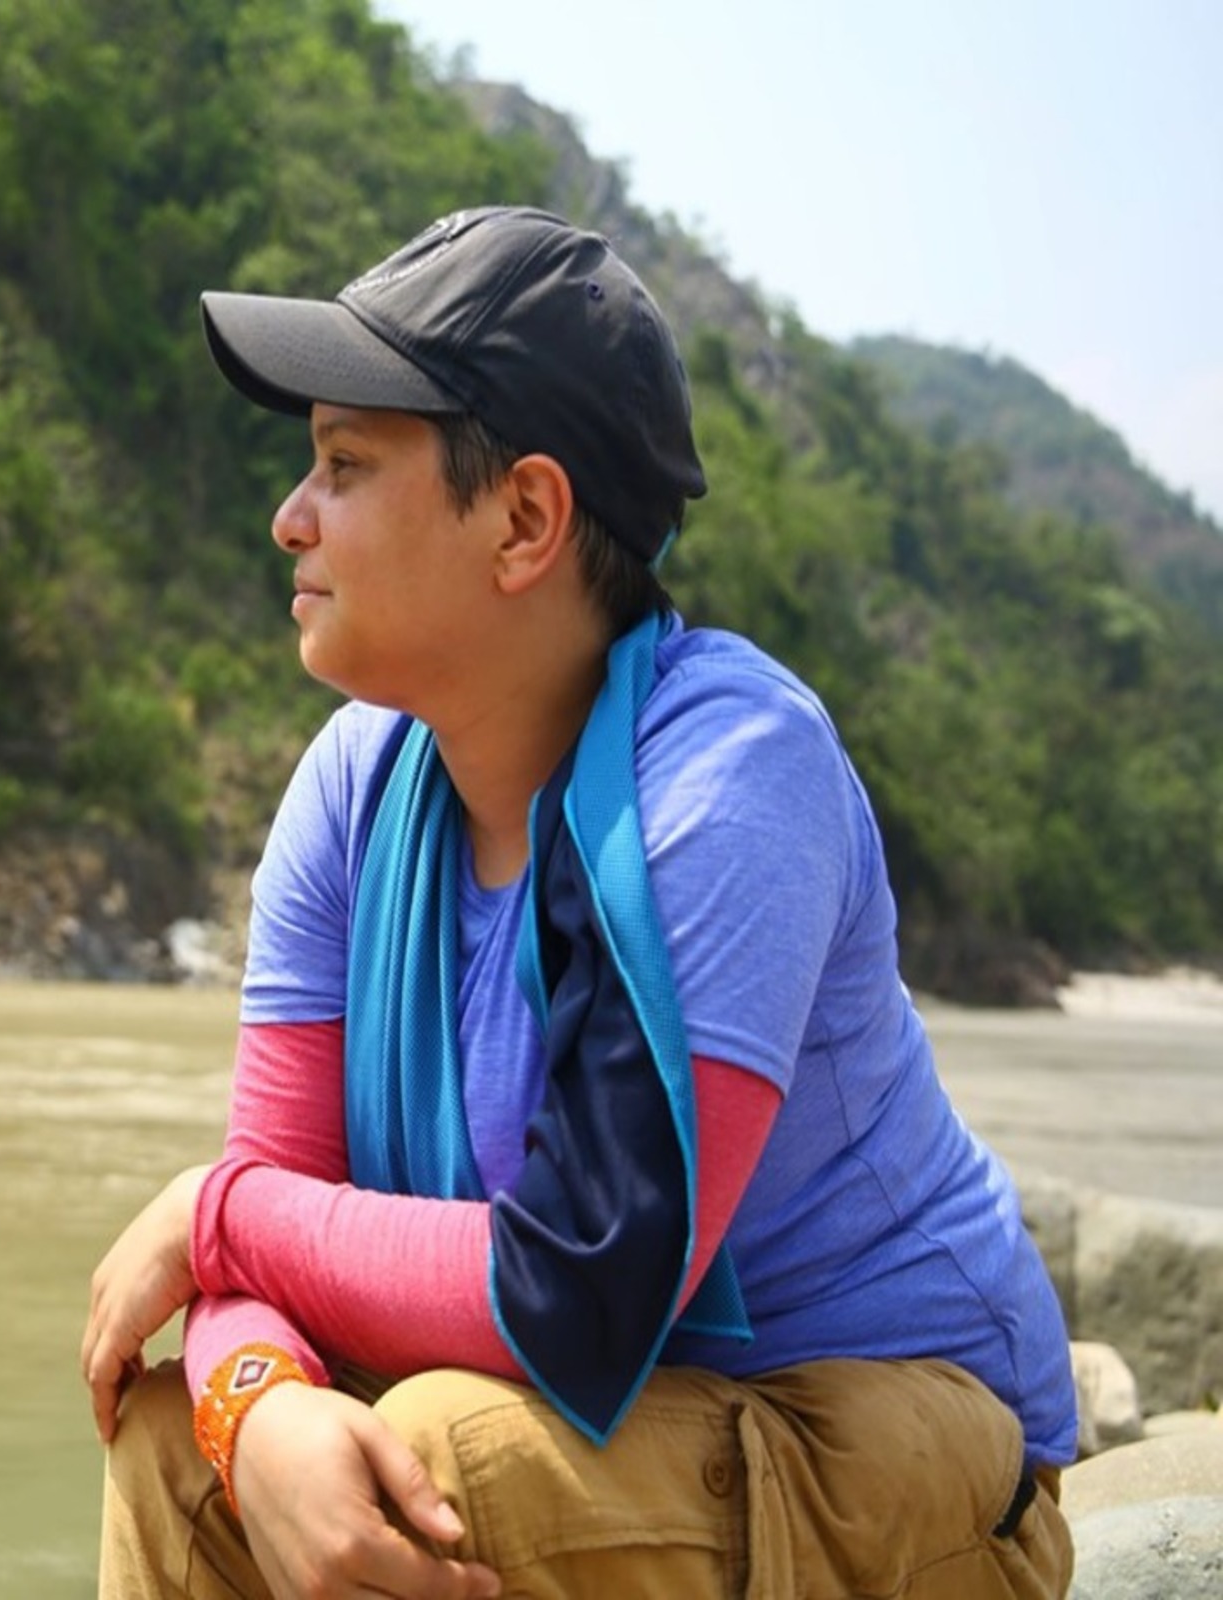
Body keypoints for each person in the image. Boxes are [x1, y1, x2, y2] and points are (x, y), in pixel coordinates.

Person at [80, 205, 1076, 1599]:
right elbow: (273, 1201)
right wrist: (258, 1403)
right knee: (180, 1431)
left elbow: (584, 1285)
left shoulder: (731, 779)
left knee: (433, 1463)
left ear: (526, 521)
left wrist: (212, 1218)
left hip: (889, 1439)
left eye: (345, 466)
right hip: (618, 1412)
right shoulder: (355, 791)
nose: (288, 517)